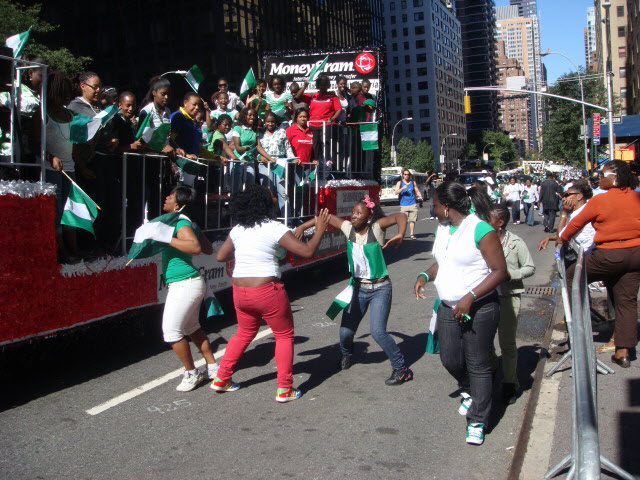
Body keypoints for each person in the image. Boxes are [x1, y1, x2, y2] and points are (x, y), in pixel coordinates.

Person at [214, 185, 330, 402]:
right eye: (272, 197)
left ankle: (222, 378)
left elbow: (221, 256)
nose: (276, 200)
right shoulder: (273, 227)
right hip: (266, 290)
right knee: (284, 335)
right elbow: (306, 251)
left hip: (240, 291)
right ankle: (284, 388)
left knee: (243, 333)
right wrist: (320, 229)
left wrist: (246, 251)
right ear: (265, 203)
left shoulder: (238, 229)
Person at [414, 183, 508, 445]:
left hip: (480, 307)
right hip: (449, 306)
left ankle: (478, 419)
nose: (432, 209)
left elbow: (500, 271)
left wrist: (471, 296)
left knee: (477, 363)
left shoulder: (480, 229)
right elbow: (444, 262)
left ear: (446, 207)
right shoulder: (443, 228)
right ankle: (471, 390)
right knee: (450, 358)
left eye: (434, 205)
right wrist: (425, 275)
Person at [295, 195, 413, 385]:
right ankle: (347, 354)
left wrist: (401, 233)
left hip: (380, 288)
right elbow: (325, 217)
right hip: (358, 288)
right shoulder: (348, 228)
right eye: (352, 212)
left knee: (378, 332)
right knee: (345, 332)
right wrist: (302, 227)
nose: (353, 216)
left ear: (368, 217)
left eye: (358, 213)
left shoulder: (376, 227)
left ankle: (401, 369)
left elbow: (401, 216)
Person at [560, 161, 640, 368]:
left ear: (615, 178)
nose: (599, 178)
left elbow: (575, 225)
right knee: (627, 301)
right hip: (636, 254)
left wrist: (562, 238)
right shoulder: (636, 196)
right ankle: (623, 351)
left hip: (609, 254)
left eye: (602, 175)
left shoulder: (600, 200)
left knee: (572, 276)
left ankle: (577, 330)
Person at [160, 186, 219, 392]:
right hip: (190, 282)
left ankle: (192, 373)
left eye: (170, 195)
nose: (166, 197)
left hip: (185, 283)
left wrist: (166, 237)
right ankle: (213, 367)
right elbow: (208, 249)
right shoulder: (187, 222)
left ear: (177, 205)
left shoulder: (180, 222)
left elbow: (195, 247)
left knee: (171, 332)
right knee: (192, 327)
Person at [487, 204, 535, 405]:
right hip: (487, 298)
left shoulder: (515, 242)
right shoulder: (483, 241)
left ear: (500, 222)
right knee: (485, 341)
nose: (484, 222)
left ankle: (510, 383)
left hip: (508, 297)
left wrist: (511, 274)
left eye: (488, 218)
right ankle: (491, 372)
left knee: (507, 343)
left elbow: (530, 267)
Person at [40, 71, 78, 262]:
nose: (66, 97)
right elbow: (34, 143)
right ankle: (59, 249)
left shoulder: (71, 115)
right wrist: (50, 157)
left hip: (70, 168)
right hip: (50, 169)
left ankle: (73, 248)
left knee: (71, 210)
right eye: (62, 93)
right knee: (57, 210)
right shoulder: (42, 113)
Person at [259, 111, 298, 216]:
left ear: (276, 122)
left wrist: (292, 159)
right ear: (264, 122)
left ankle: (286, 218)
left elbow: (287, 148)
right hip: (265, 164)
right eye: (268, 122)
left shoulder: (281, 132)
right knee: (267, 192)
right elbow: (256, 149)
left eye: (272, 122)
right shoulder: (260, 133)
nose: (270, 124)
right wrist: (260, 157)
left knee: (283, 191)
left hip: (280, 163)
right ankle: (268, 217)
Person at [230, 106, 276, 189]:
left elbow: (259, 146)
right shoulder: (238, 128)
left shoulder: (255, 130)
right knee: (237, 187)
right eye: (250, 115)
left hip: (250, 162)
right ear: (244, 116)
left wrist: (270, 158)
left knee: (250, 186)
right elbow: (237, 147)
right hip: (239, 161)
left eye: (254, 115)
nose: (252, 117)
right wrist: (245, 148)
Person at [394, 169, 424, 239]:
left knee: (412, 220)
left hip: (412, 203)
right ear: (403, 175)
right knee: (403, 221)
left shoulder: (413, 182)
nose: (407, 176)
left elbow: (417, 190)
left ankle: (411, 234)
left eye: (408, 174)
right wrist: (402, 188)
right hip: (403, 204)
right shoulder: (400, 183)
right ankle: (402, 234)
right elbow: (396, 192)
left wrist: (420, 196)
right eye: (405, 174)